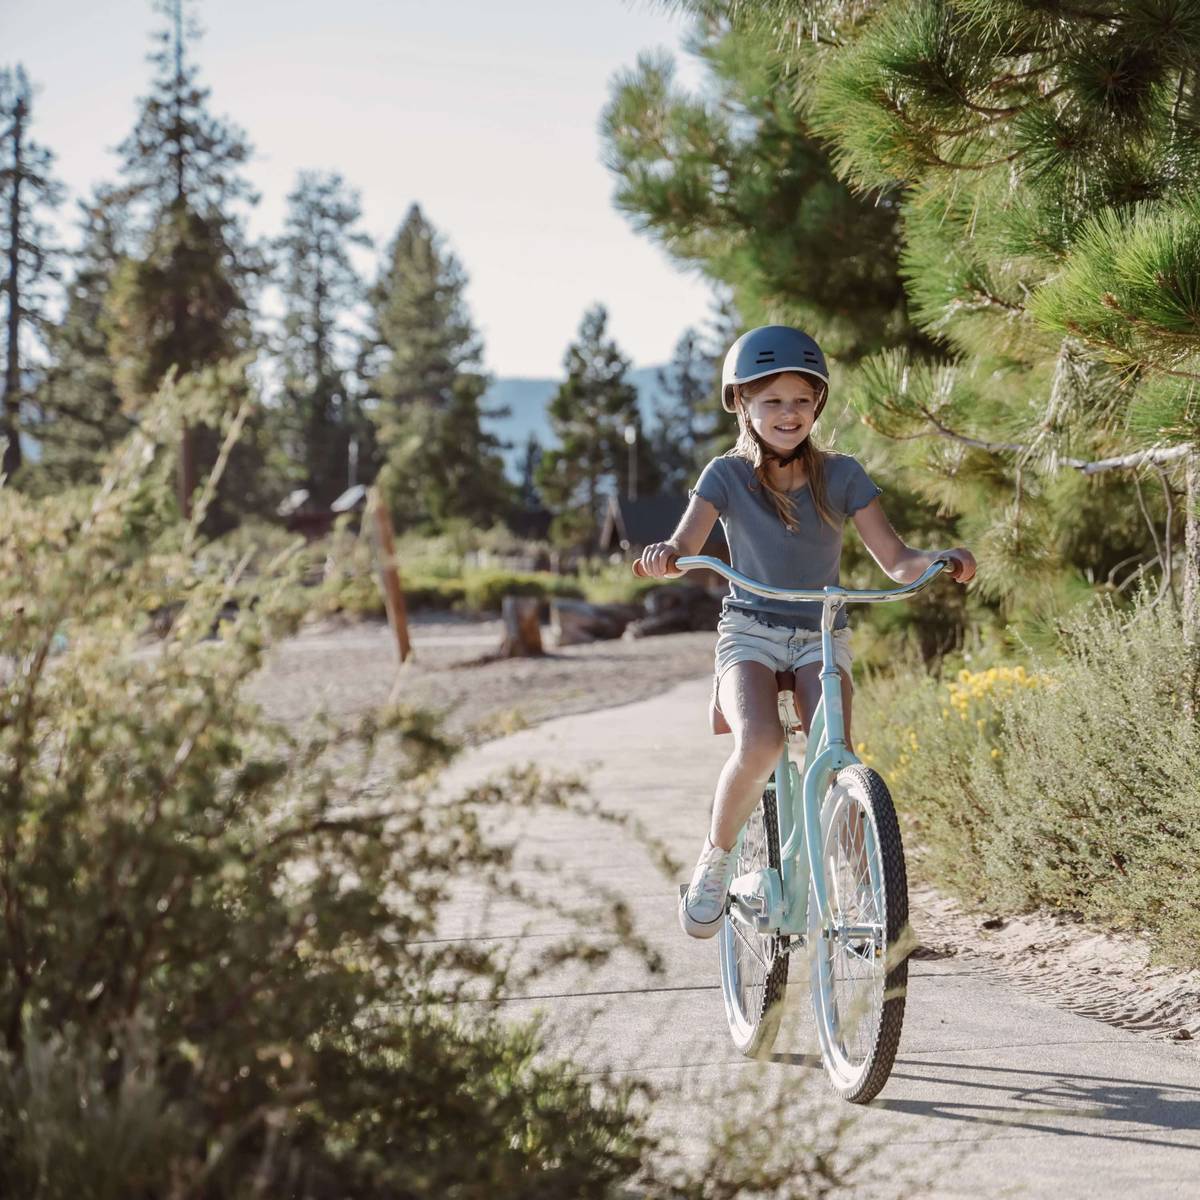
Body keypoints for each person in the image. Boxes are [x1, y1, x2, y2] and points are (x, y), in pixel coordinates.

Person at [637, 326, 977, 939]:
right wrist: (668, 553)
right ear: (743, 404)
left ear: (817, 403)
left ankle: (864, 896)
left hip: (822, 631)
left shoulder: (843, 475)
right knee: (762, 743)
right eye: (772, 401)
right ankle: (716, 859)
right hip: (751, 630)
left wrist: (935, 560)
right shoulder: (725, 475)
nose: (787, 413)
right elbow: (686, 544)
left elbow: (894, 559)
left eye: (800, 399)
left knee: (834, 757)